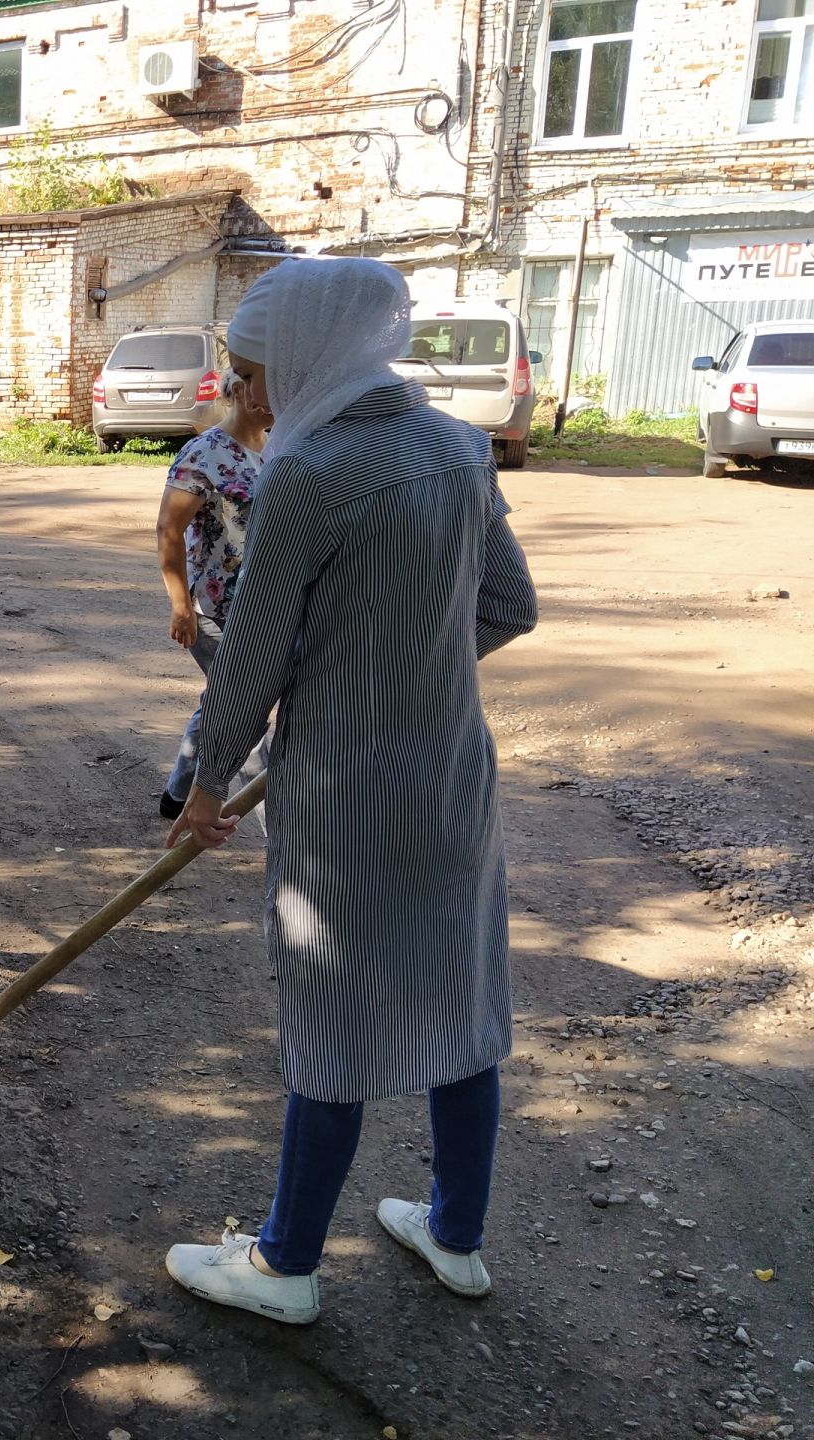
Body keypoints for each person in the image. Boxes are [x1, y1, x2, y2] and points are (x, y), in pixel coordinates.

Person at [162, 259, 538, 1324]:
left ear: (308, 358)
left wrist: (207, 786)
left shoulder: (309, 472)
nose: (242, 399)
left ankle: (285, 1267)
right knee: (462, 1002)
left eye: (252, 376)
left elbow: (255, 662)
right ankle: (457, 1236)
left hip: (345, 796)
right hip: (452, 781)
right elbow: (511, 606)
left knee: (332, 1014)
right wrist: (409, 671)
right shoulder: (459, 448)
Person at [155, 372, 272, 822]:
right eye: (272, 386)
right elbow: (169, 529)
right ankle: (272, 820)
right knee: (244, 703)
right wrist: (181, 605)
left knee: (225, 696)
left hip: (262, 603)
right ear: (239, 390)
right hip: (213, 608)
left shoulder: (277, 445)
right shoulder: (204, 454)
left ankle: (177, 795)